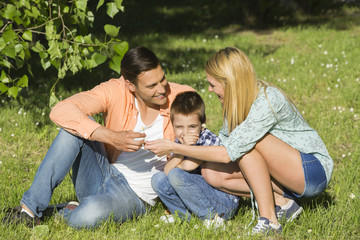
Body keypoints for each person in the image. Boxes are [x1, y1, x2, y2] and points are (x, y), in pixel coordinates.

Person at [145, 47, 334, 235]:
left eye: (213, 84)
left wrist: (173, 146)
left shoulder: (267, 100)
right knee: (212, 172)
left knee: (245, 145)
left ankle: (270, 221)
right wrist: (183, 153)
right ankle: (283, 203)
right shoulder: (234, 104)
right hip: (285, 175)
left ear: (229, 82)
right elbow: (222, 148)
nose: (209, 89)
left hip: (311, 172)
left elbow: (228, 152)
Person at [2, 46, 194, 229]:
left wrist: (173, 149)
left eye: (163, 79)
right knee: (72, 129)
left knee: (83, 219)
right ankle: (28, 210)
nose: (162, 89)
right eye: (152, 85)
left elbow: (199, 145)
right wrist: (111, 136)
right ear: (130, 85)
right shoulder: (116, 90)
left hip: (135, 194)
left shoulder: (182, 97)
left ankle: (70, 210)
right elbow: (60, 110)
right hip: (104, 172)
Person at [151, 91, 241, 227]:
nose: (185, 132)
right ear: (173, 125)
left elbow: (188, 166)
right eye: (179, 127)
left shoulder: (208, 139)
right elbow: (167, 170)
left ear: (202, 123)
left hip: (222, 201)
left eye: (192, 127)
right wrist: (180, 148)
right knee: (158, 179)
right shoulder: (180, 142)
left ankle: (212, 218)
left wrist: (180, 150)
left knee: (176, 174)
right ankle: (183, 216)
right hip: (197, 197)